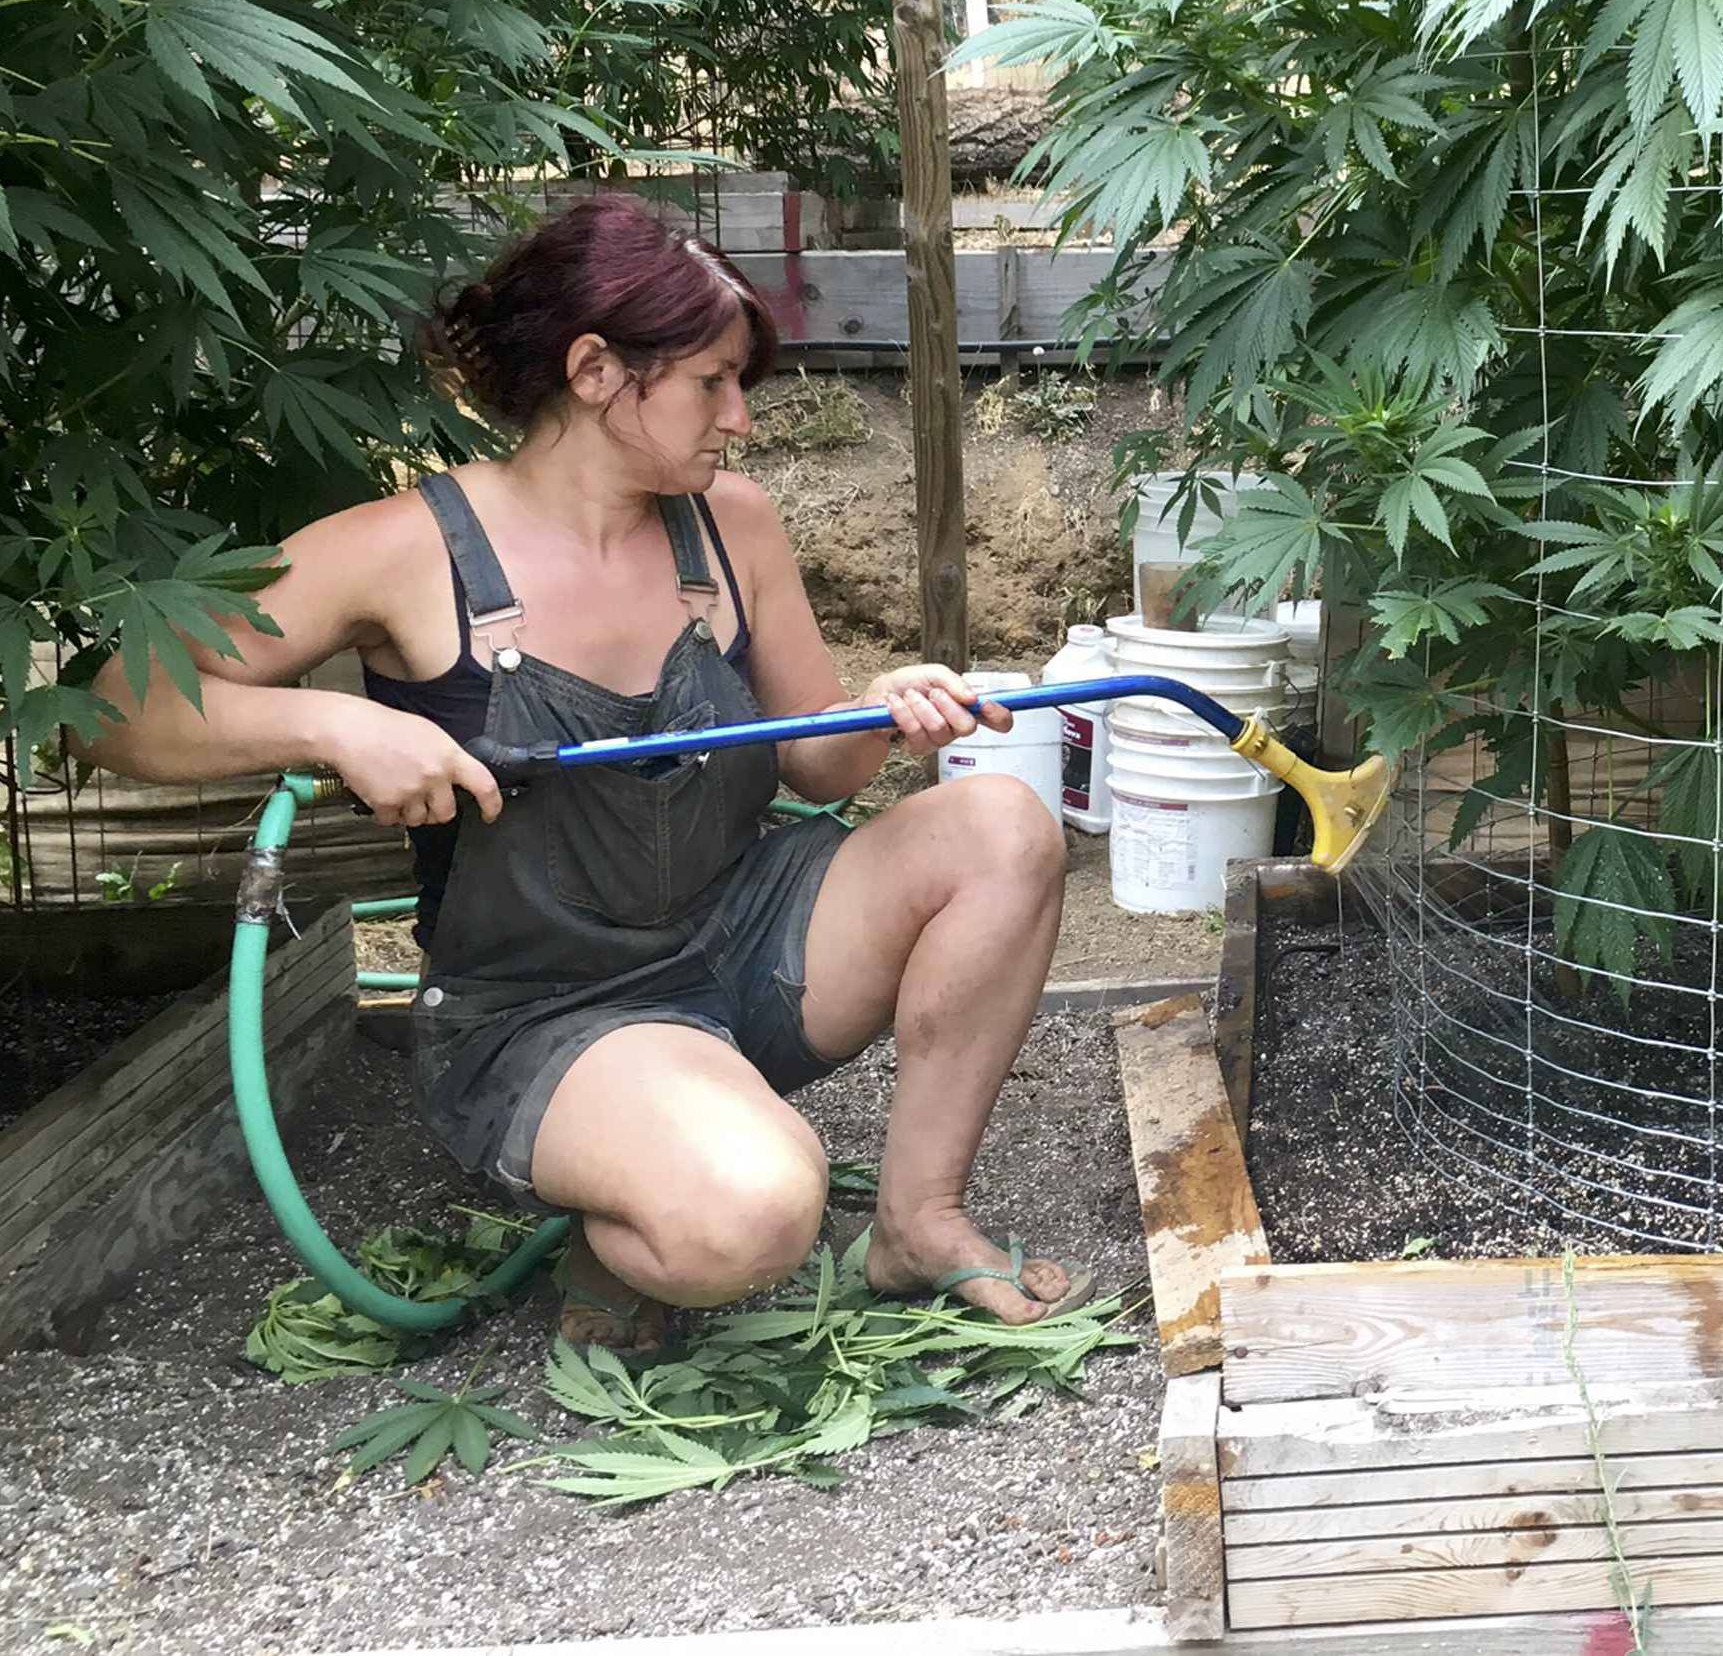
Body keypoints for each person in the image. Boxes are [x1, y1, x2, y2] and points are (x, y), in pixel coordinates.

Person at [78, 197, 1084, 1347]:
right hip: (545, 1010)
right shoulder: (403, 548)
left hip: (743, 939)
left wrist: (883, 708)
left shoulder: (731, 526)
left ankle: (919, 1219)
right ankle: (633, 1227)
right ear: (598, 369)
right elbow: (113, 713)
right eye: (712, 382)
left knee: (1003, 823)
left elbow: (815, 766)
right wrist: (334, 726)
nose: (741, 420)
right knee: (756, 1212)